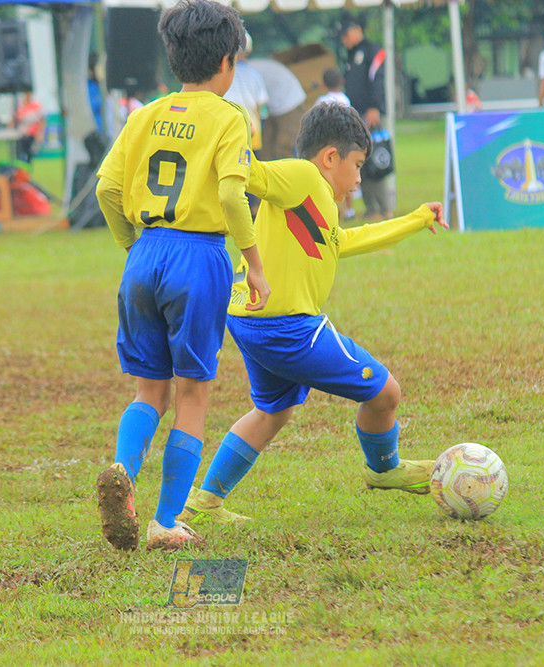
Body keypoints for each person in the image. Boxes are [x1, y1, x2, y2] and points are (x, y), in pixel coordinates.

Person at [179, 102, 447, 527]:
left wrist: (415, 220)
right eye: (357, 165)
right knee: (386, 393)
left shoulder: (317, 200)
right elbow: (254, 175)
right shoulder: (304, 177)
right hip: (288, 327)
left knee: (272, 412)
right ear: (329, 158)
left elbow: (344, 240)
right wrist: (218, 134)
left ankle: (206, 501)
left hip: (251, 321)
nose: (360, 178)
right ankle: (383, 468)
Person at [94, 0, 271, 552]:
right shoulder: (230, 117)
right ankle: (165, 520)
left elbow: (107, 189)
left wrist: (134, 246)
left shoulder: (144, 114)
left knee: (151, 389)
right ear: (226, 61)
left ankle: (123, 473)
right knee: (193, 393)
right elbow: (229, 194)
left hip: (144, 254)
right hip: (199, 257)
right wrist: (255, 263)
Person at [339, 15, 394, 220]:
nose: (344, 40)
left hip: (371, 113)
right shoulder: (350, 54)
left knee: (378, 158)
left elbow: (377, 80)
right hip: (356, 114)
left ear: (357, 30)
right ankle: (371, 208)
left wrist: (374, 106)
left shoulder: (373, 50)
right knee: (362, 161)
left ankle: (385, 207)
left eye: (346, 34)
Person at [314, 67, 355, 220]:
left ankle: (329, 210)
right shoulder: (346, 99)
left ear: (323, 83)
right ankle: (350, 210)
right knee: (345, 175)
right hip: (344, 143)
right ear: (341, 81)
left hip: (328, 145)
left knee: (327, 177)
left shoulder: (322, 100)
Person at [247, 57, 306, 161]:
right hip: (275, 106)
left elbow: (255, 102)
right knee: (266, 146)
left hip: (290, 103)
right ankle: (267, 176)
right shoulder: (250, 67)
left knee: (283, 146)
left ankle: (288, 176)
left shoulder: (246, 73)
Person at [223, 33, 268, 154]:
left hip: (227, 133)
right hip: (252, 132)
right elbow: (261, 103)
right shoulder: (255, 74)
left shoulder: (223, 72)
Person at [14, 91, 44, 163]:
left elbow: (41, 120)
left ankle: (27, 171)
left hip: (32, 134)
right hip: (20, 134)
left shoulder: (36, 106)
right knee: (19, 155)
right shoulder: (20, 107)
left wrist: (39, 133)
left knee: (29, 154)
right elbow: (15, 120)